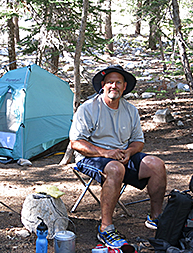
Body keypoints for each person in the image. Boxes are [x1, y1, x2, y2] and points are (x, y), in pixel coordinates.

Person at [69, 65, 167, 249]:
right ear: (103, 85)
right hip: (91, 157)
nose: (114, 86)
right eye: (110, 82)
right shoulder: (88, 108)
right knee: (115, 168)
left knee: (156, 164)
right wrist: (105, 153)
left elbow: (138, 142)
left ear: (124, 86)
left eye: (118, 82)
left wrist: (128, 153)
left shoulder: (130, 110)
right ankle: (105, 227)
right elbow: (76, 142)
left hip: (122, 156)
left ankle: (156, 218)